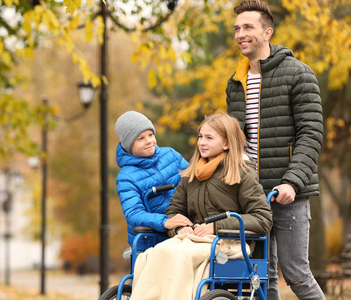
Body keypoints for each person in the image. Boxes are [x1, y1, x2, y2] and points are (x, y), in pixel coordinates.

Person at [226, 1, 324, 299]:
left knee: (296, 274)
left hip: (288, 193)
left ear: (267, 32)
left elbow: (311, 134)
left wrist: (292, 182)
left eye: (248, 27)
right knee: (259, 276)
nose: (241, 33)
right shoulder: (235, 82)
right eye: (237, 28)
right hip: (252, 195)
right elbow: (235, 139)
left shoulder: (298, 74)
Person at [129, 113, 273, 300]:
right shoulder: (191, 174)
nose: (202, 142)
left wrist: (216, 227)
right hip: (194, 239)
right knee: (154, 253)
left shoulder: (241, 173)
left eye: (209, 138)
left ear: (227, 143)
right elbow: (174, 211)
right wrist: (179, 228)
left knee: (179, 256)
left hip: (230, 242)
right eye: (200, 136)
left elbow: (263, 219)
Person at [115, 110, 191, 249]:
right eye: (140, 138)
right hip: (151, 238)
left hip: (183, 227)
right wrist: (165, 222)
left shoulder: (170, 155)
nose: (149, 141)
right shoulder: (126, 177)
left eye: (150, 134)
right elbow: (134, 213)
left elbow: (194, 180)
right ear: (128, 145)